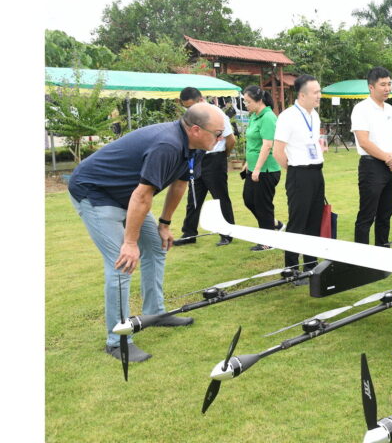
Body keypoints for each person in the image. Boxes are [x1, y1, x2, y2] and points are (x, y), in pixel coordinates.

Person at [68, 103, 224, 362]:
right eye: (217, 133)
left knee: (156, 246)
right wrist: (129, 242)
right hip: (95, 192)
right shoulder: (168, 145)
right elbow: (142, 195)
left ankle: (155, 314)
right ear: (196, 129)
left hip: (127, 195)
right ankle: (118, 341)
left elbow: (179, 185)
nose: (220, 139)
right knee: (122, 263)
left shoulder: (194, 148)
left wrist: (164, 224)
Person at [273, 75, 328, 271]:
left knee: (314, 221)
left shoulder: (314, 114)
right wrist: (295, 169)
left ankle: (311, 265)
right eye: (316, 92)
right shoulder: (288, 116)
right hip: (299, 174)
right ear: (302, 95)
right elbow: (278, 152)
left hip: (316, 173)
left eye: (319, 91)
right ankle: (291, 268)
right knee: (298, 222)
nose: (319, 96)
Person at [174, 87, 237, 247]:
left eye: (191, 106)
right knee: (194, 196)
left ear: (201, 100)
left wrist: (223, 156)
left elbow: (231, 140)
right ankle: (189, 233)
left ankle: (227, 233)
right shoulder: (191, 117)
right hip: (197, 158)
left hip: (215, 158)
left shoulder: (217, 114)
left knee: (220, 197)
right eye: (186, 107)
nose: (189, 110)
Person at [351, 66, 392, 246]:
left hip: (391, 167)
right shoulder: (361, 109)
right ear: (371, 87)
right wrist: (388, 158)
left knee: (385, 215)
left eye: (389, 84)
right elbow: (364, 141)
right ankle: (361, 260)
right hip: (372, 166)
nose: (387, 88)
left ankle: (382, 251)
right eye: (383, 85)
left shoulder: (390, 109)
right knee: (367, 215)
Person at [242, 85, 285, 251]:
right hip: (253, 167)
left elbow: (267, 145)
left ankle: (268, 241)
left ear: (259, 101)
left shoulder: (268, 117)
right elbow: (254, 143)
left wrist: (258, 168)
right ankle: (275, 224)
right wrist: (248, 163)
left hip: (267, 170)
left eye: (248, 102)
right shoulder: (255, 115)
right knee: (249, 199)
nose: (246, 105)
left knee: (263, 204)